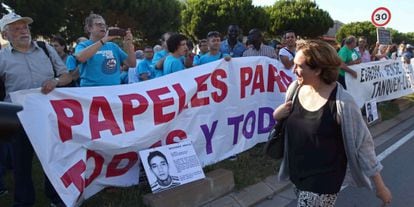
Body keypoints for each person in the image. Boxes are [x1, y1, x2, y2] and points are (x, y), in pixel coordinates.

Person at [273, 39, 392, 207]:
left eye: (300, 66)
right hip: (297, 173)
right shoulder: (294, 89)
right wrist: (277, 115)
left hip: (324, 181)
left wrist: (380, 187)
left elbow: (363, 145)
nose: (294, 70)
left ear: (318, 69)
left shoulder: (344, 103)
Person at [0, 12, 72, 206]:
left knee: (53, 159)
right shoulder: (1, 57)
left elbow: (67, 76)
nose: (23, 30)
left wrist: (56, 81)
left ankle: (56, 197)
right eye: (16, 28)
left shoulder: (45, 49)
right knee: (20, 163)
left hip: (48, 115)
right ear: (5, 35)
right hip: (17, 117)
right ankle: (23, 202)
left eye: (25, 27)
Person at [74, 13, 136, 87]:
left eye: (104, 25)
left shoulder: (113, 46)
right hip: (91, 91)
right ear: (89, 28)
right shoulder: (83, 45)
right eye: (99, 24)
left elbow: (132, 64)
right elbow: (80, 58)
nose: (103, 27)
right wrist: (103, 40)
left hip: (113, 91)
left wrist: (129, 44)